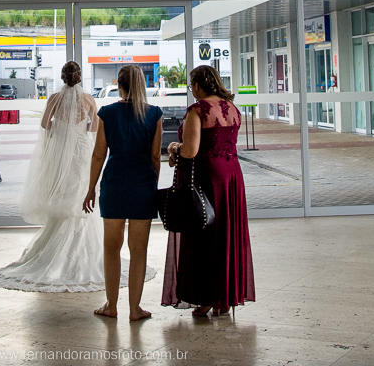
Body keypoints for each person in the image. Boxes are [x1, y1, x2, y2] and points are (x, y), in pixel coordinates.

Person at [0, 61, 116, 292]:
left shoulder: (54, 98)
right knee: (81, 192)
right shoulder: (88, 99)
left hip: (62, 152)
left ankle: (52, 251)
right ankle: (84, 254)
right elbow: (93, 127)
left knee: (63, 192)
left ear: (63, 77)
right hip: (80, 153)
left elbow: (45, 124)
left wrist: (60, 131)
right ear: (80, 76)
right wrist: (78, 131)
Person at [162, 65, 255, 316]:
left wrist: (173, 148)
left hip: (207, 178)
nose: (192, 90)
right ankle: (225, 297)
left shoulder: (198, 110)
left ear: (198, 85)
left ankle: (205, 298)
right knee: (227, 235)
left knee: (205, 237)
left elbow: (190, 150)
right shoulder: (233, 109)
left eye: (192, 85)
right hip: (232, 176)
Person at [83, 64, 162, 321]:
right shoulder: (154, 114)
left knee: (111, 248)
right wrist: (151, 185)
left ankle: (111, 305)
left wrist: (90, 189)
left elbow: (98, 155)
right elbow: (154, 157)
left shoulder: (107, 113)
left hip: (114, 184)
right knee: (139, 250)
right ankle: (135, 309)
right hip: (142, 185)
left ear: (119, 83)